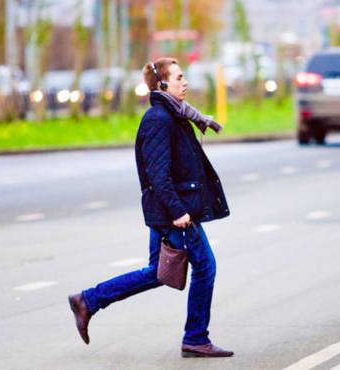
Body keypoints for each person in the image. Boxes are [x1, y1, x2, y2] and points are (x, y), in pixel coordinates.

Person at [68, 57, 233, 358]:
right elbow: (158, 175)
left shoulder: (176, 115)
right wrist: (178, 211)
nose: (185, 82)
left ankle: (88, 301)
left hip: (172, 209)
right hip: (174, 212)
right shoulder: (159, 120)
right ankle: (195, 337)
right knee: (205, 267)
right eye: (179, 77)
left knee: (158, 273)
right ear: (163, 84)